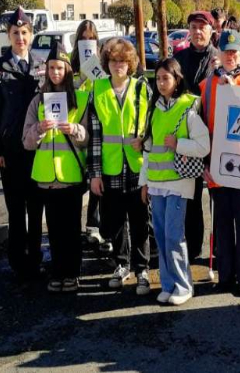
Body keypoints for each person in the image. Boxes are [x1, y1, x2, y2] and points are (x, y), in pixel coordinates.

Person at [139, 58, 210, 305]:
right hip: (158, 184)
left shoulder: (188, 107)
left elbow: (204, 146)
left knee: (173, 235)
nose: (161, 83)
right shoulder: (155, 109)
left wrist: (178, 144)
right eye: (157, 78)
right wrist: (144, 183)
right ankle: (168, 284)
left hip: (179, 184)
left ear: (177, 79)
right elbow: (149, 150)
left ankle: (183, 284)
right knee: (160, 235)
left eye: (165, 78)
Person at [199, 31, 240, 297]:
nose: (230, 56)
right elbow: (201, 126)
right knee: (222, 223)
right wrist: (203, 162)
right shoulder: (206, 86)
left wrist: (234, 92)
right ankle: (225, 275)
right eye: (226, 51)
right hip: (216, 164)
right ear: (219, 53)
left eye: (234, 51)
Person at [23, 42, 89, 292]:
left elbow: (89, 138)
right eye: (51, 67)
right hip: (46, 178)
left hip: (71, 176)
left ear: (68, 70)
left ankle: (72, 273)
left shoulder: (81, 99)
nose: (55, 72)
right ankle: (58, 272)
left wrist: (74, 130)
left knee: (71, 228)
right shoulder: (37, 102)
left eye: (60, 67)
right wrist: (38, 129)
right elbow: (26, 142)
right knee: (53, 229)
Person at [0, 7, 44, 281]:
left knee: (36, 207)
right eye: (15, 33)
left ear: (31, 35)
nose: (20, 37)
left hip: (38, 149)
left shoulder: (42, 66)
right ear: (8, 36)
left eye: (24, 32)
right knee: (16, 209)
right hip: (10, 151)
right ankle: (18, 262)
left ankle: (36, 257)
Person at [88, 38, 152, 295]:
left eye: (123, 61)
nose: (118, 66)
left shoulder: (141, 88)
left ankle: (142, 268)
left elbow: (153, 125)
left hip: (138, 167)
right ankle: (121, 265)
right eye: (114, 61)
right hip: (110, 167)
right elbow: (94, 136)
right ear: (107, 63)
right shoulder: (98, 89)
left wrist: (144, 141)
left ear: (130, 63)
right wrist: (94, 174)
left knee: (139, 220)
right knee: (114, 222)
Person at [173, 10, 217, 260]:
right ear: (188, 30)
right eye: (193, 27)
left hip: (215, 136)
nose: (198, 31)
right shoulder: (179, 58)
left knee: (217, 198)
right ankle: (193, 245)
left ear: (211, 31)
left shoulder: (219, 59)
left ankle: (219, 248)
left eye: (203, 27)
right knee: (190, 196)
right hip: (187, 137)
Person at [70, 20, 109, 252]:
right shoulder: (69, 62)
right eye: (84, 37)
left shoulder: (102, 63)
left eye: (92, 37)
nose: (88, 40)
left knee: (97, 175)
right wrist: (80, 79)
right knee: (78, 181)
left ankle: (96, 226)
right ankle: (78, 229)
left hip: (98, 127)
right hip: (75, 129)